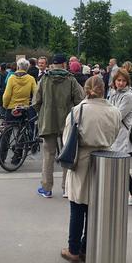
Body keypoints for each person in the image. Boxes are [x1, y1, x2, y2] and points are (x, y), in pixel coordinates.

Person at [61, 76, 121, 263]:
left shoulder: (78, 111)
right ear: (104, 89)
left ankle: (73, 249)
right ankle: (87, 247)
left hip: (82, 159)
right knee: (96, 207)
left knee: (77, 206)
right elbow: (116, 134)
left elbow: (66, 140)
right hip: (106, 158)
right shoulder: (114, 111)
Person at [32, 53, 84, 198]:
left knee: (48, 155)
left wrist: (42, 113)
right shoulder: (71, 79)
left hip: (48, 121)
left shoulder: (44, 79)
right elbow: (80, 99)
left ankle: (46, 188)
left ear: (52, 64)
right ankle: (66, 188)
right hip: (67, 121)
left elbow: (36, 102)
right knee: (67, 154)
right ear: (64, 64)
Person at [108, 68, 132, 206]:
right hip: (113, 133)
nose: (121, 83)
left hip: (121, 135)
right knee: (118, 167)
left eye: (123, 81)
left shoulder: (128, 96)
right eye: (119, 80)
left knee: (120, 167)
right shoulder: (112, 93)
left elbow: (117, 115)